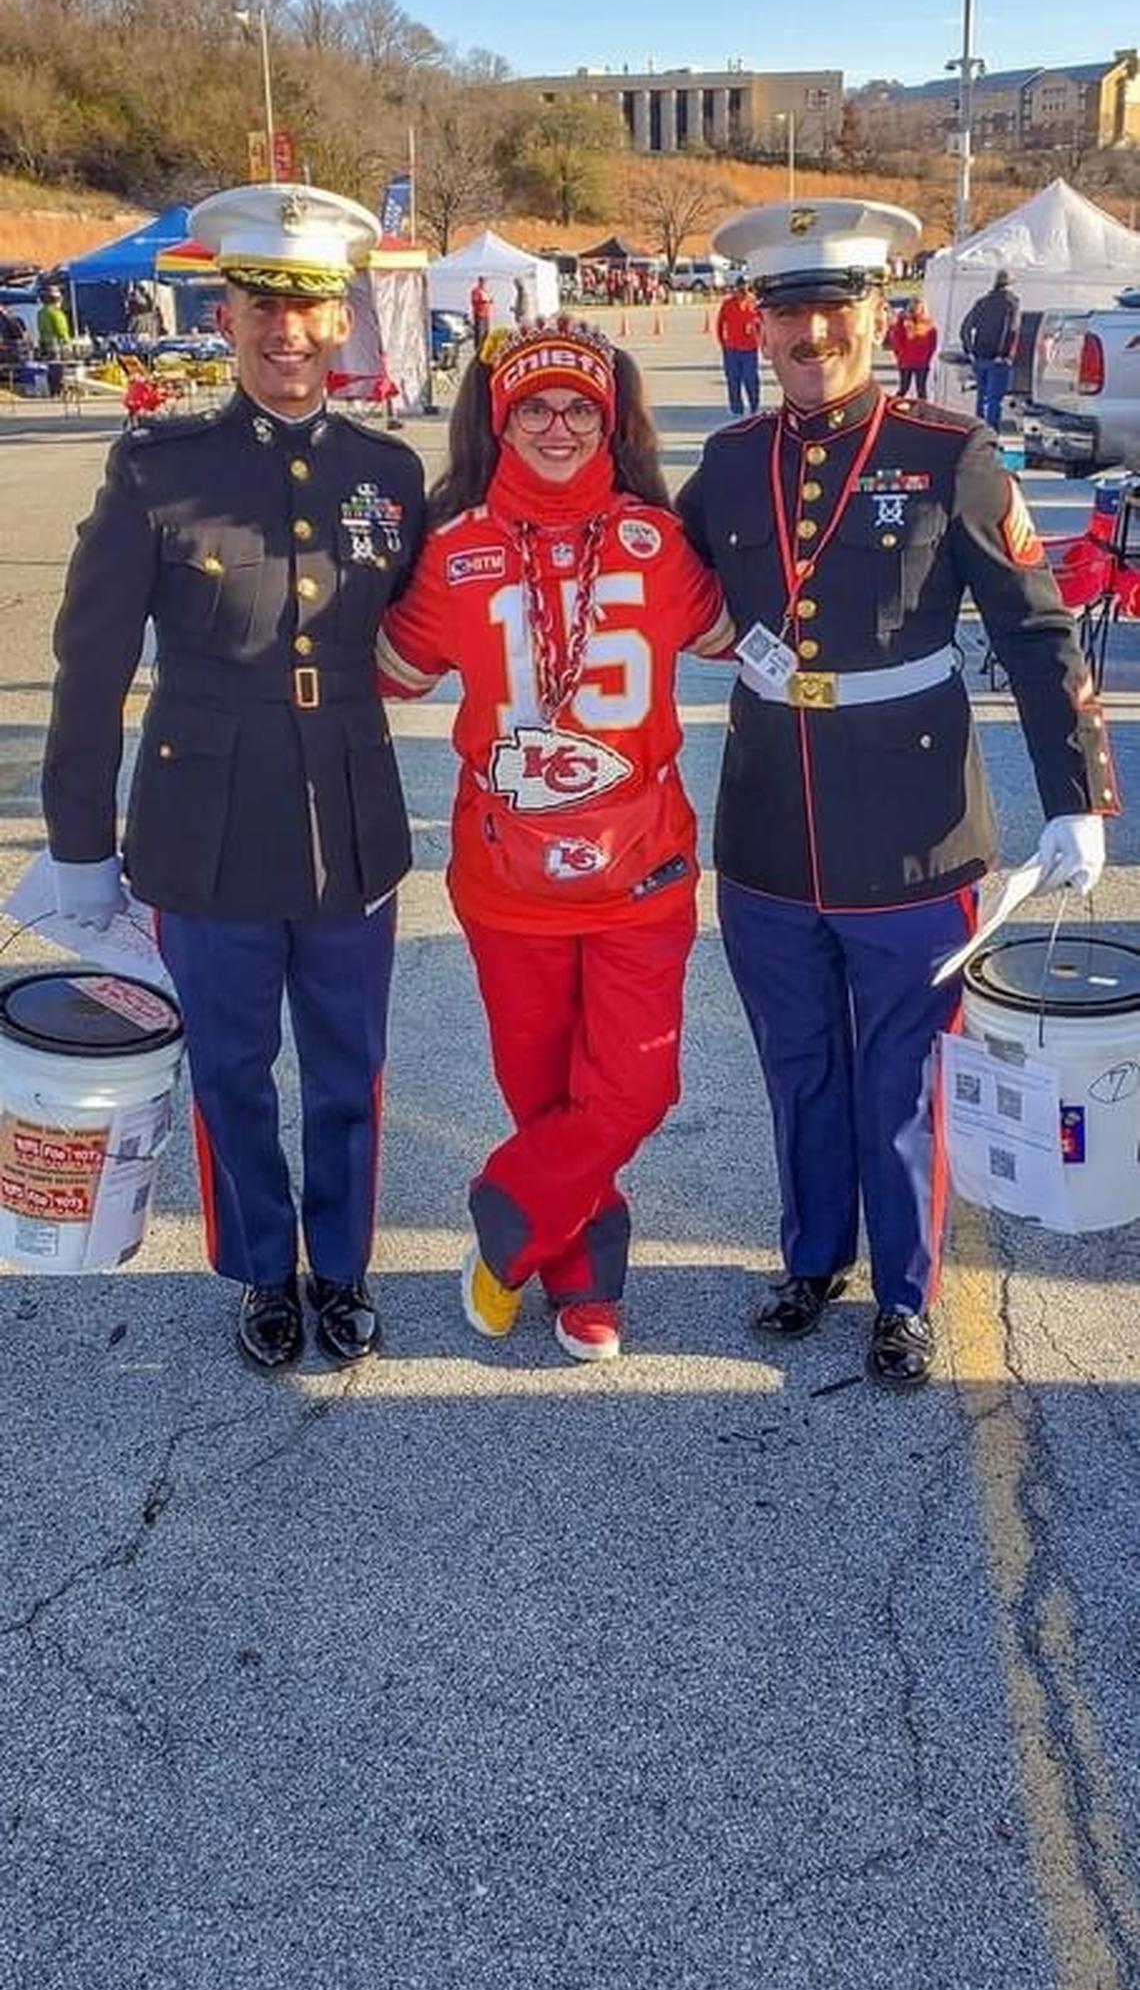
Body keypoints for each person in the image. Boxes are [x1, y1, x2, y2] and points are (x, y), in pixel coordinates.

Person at [678, 199, 1117, 1391]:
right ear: (758, 326)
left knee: (907, 1074)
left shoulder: (948, 453)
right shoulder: (728, 464)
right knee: (798, 1063)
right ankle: (813, 1258)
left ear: (879, 313)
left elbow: (1035, 629)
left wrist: (1076, 794)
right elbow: (649, 579)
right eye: (789, 313)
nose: (812, 333)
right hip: (770, 823)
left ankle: (907, 1292)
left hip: (915, 830)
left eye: (836, 307)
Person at [42, 183, 427, 1371]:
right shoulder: (158, 470)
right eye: (263, 304)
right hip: (201, 825)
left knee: (350, 1070)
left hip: (350, 819)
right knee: (230, 1070)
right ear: (226, 314)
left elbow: (434, 628)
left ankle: (343, 1265)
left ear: (343, 317)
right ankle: (264, 1266)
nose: (287, 331)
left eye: (309, 307)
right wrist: (78, 844)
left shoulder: (389, 471)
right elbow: (91, 664)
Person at [376, 318, 732, 1361]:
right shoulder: (455, 550)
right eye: (535, 407)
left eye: (581, 407)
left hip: (641, 869)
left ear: (612, 422)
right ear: (501, 421)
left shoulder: (657, 541)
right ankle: (583, 1279)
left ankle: (509, 1213)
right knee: (544, 1096)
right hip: (508, 880)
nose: (560, 426)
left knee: (635, 1088)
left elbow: (746, 636)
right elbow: (388, 674)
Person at [959, 268, 1021, 429]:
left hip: (980, 356)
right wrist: (1006, 354)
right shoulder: (1012, 303)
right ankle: (990, 434)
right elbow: (1012, 330)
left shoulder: (982, 302)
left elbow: (965, 328)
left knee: (982, 397)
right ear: (1010, 284)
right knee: (994, 400)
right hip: (999, 359)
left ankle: (978, 433)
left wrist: (970, 351)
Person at [714, 277, 762, 417]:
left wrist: (760, 338)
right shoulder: (727, 304)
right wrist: (723, 342)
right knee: (733, 379)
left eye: (745, 289)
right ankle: (736, 410)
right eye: (740, 289)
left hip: (749, 349)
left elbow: (763, 322)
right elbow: (720, 323)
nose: (742, 292)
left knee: (750, 378)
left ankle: (754, 404)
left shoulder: (754, 303)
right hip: (731, 349)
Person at [884, 295, 938, 400]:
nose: (916, 309)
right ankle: (893, 405)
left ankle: (922, 409)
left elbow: (932, 343)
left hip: (921, 362)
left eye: (918, 306)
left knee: (921, 390)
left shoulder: (928, 323)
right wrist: (899, 355)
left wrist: (927, 358)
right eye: (914, 306)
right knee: (904, 388)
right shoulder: (903, 321)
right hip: (906, 361)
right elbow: (896, 339)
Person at [37, 283, 71, 398]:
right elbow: (61, 330)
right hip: (56, 345)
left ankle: (52, 391)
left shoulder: (41, 313)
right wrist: (67, 341)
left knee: (50, 369)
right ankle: (58, 391)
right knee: (58, 369)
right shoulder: (56, 313)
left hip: (44, 344)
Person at [470, 276, 493, 352]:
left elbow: (488, 300)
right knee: (479, 332)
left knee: (487, 331)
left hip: (486, 314)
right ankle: (477, 349)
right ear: (479, 281)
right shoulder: (476, 290)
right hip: (479, 314)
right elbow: (475, 301)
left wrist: (490, 301)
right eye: (482, 281)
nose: (484, 283)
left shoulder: (485, 291)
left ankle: (485, 347)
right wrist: (485, 301)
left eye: (485, 281)